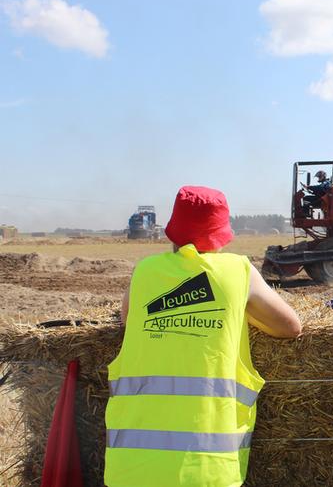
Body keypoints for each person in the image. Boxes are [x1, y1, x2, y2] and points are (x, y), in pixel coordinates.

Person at [105, 186, 302, 487]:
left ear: (172, 231)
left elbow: (127, 320)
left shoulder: (144, 271)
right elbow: (290, 327)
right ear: (220, 235)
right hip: (208, 469)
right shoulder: (238, 271)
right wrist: (235, 310)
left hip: (131, 468)